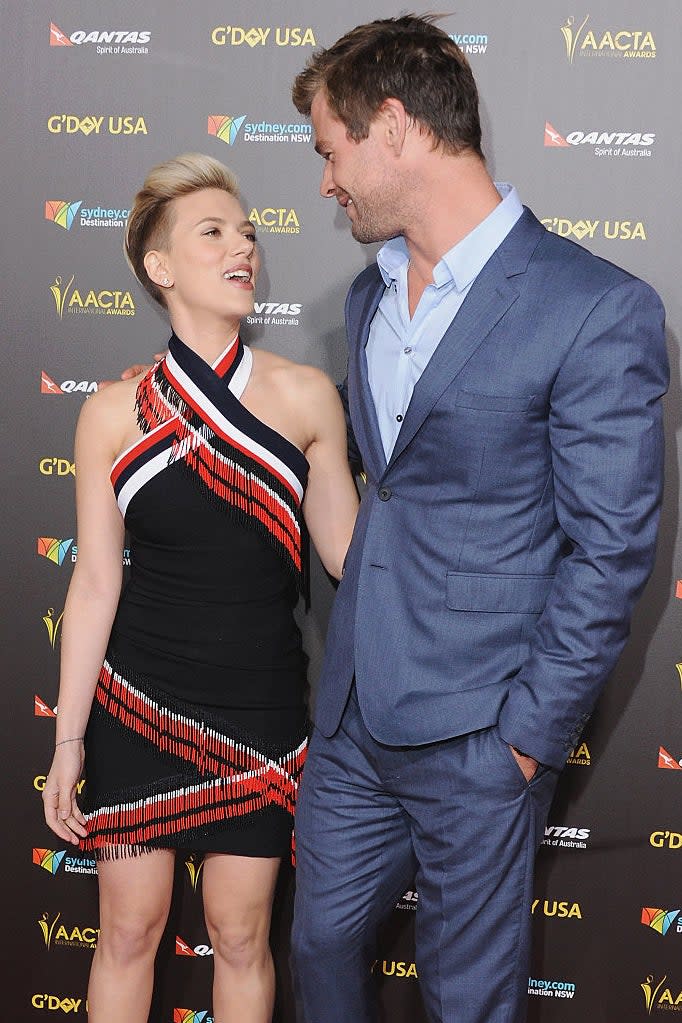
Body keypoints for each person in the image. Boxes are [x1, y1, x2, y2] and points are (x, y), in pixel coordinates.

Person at [285, 15, 668, 1023]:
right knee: (317, 950)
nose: (327, 182)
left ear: (397, 128)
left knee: (467, 1001)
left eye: (332, 151)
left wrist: (524, 741)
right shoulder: (366, 306)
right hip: (353, 724)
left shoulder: (594, 308)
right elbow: (394, 484)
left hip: (481, 735)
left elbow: (609, 549)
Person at [42, 153, 358, 1023]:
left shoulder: (305, 398)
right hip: (135, 703)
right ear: (158, 265)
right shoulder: (111, 412)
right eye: (213, 231)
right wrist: (70, 741)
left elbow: (350, 557)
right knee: (129, 931)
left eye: (248, 232)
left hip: (259, 710)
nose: (242, 247)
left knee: (243, 934)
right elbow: (97, 581)